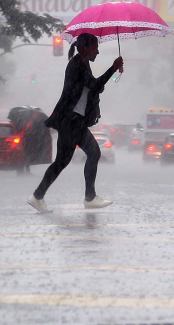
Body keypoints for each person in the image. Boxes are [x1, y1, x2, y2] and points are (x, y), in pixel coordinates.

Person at [27, 33, 123, 213]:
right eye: (95, 48)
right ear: (85, 48)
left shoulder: (82, 64)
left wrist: (96, 88)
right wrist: (113, 67)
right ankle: (90, 197)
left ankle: (38, 196)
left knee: (62, 162)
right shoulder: (78, 64)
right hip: (71, 120)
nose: (98, 52)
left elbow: (88, 87)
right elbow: (91, 85)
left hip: (71, 120)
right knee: (92, 153)